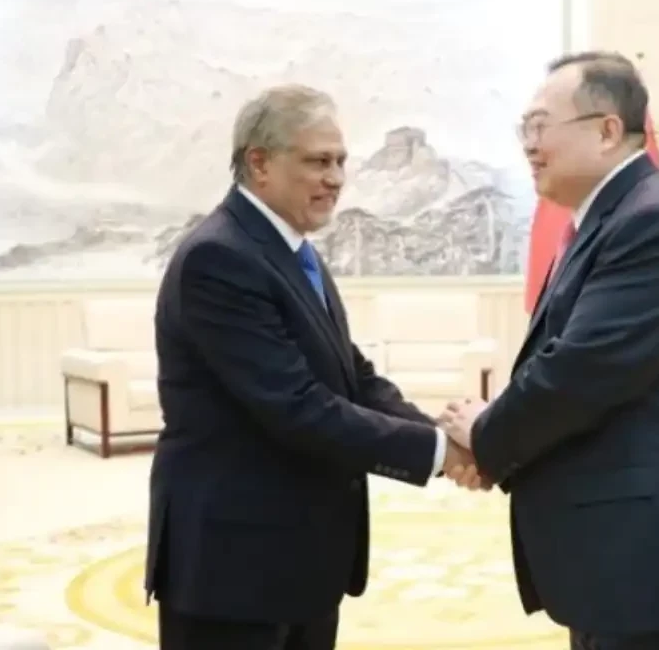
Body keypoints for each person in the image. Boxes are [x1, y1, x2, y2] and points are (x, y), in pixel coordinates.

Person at [439, 52, 659, 650]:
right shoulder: (607, 219)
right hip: (626, 557)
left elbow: (579, 372)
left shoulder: (653, 223)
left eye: (542, 125)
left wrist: (488, 433)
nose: (530, 144)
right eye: (526, 128)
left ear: (606, 130)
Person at [144, 84, 480, 650]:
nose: (336, 178)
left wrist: (439, 432)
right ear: (259, 163)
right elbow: (297, 406)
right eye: (318, 161)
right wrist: (446, 454)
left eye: (341, 161)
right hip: (233, 566)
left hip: (301, 559)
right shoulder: (218, 257)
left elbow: (353, 378)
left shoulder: (292, 250)